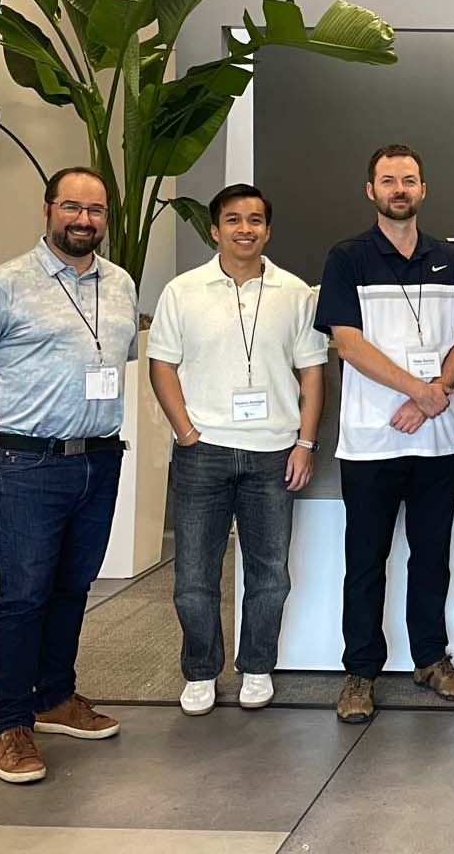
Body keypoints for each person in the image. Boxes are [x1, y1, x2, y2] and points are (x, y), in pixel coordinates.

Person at [0, 167, 140, 784]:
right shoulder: (3, 284)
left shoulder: (121, 283)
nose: (85, 220)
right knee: (23, 596)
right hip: (25, 463)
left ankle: (55, 697)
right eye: (73, 208)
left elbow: (115, 360)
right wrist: (1, 431)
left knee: (71, 589)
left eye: (97, 211)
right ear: (49, 209)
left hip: (99, 458)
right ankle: (11, 724)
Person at [147, 183, 327, 717]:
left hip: (274, 452)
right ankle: (201, 670)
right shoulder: (182, 291)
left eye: (254, 220)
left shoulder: (295, 293)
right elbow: (162, 364)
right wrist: (185, 431)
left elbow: (312, 373)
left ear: (268, 230)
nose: (244, 229)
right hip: (203, 450)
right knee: (194, 576)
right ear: (214, 229)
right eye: (232, 220)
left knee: (270, 572)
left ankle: (256, 666)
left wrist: (305, 442)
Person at [314, 145, 454, 724]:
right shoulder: (347, 258)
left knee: (432, 556)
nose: (399, 188)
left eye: (409, 179)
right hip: (371, 439)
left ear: (423, 189)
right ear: (371, 190)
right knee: (366, 558)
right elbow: (348, 343)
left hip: (437, 439)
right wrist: (421, 391)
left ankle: (432, 659)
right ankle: (360, 672)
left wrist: (431, 397)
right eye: (388, 180)